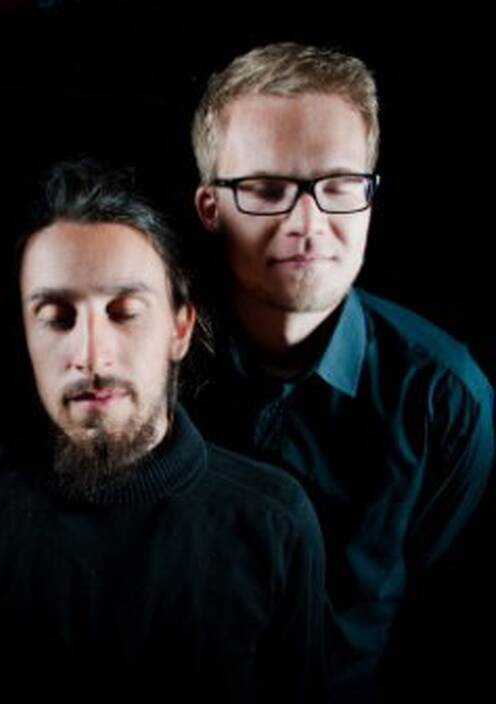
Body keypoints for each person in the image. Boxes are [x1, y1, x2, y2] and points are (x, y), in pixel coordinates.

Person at [0, 160, 326, 701]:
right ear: (26, 334)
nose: (91, 355)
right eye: (57, 317)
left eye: (125, 312)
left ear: (180, 327)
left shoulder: (274, 523)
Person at [190, 42, 494, 701]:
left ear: (370, 196)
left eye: (337, 187)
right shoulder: (152, 368)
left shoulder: (444, 394)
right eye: (266, 189)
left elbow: (437, 606)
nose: (309, 224)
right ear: (210, 207)